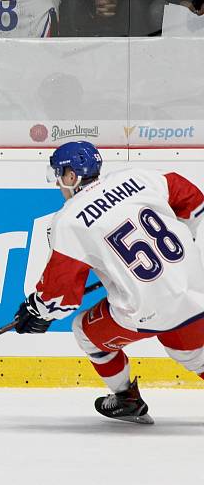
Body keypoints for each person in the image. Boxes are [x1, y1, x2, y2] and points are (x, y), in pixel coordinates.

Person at [12, 141, 204, 424]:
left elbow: (60, 297)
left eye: (59, 175)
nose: (57, 184)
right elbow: (193, 200)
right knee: (196, 358)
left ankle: (126, 398)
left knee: (84, 332)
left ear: (71, 176)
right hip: (194, 291)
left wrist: (36, 310)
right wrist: (181, 240)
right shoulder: (137, 177)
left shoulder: (68, 220)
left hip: (146, 311)